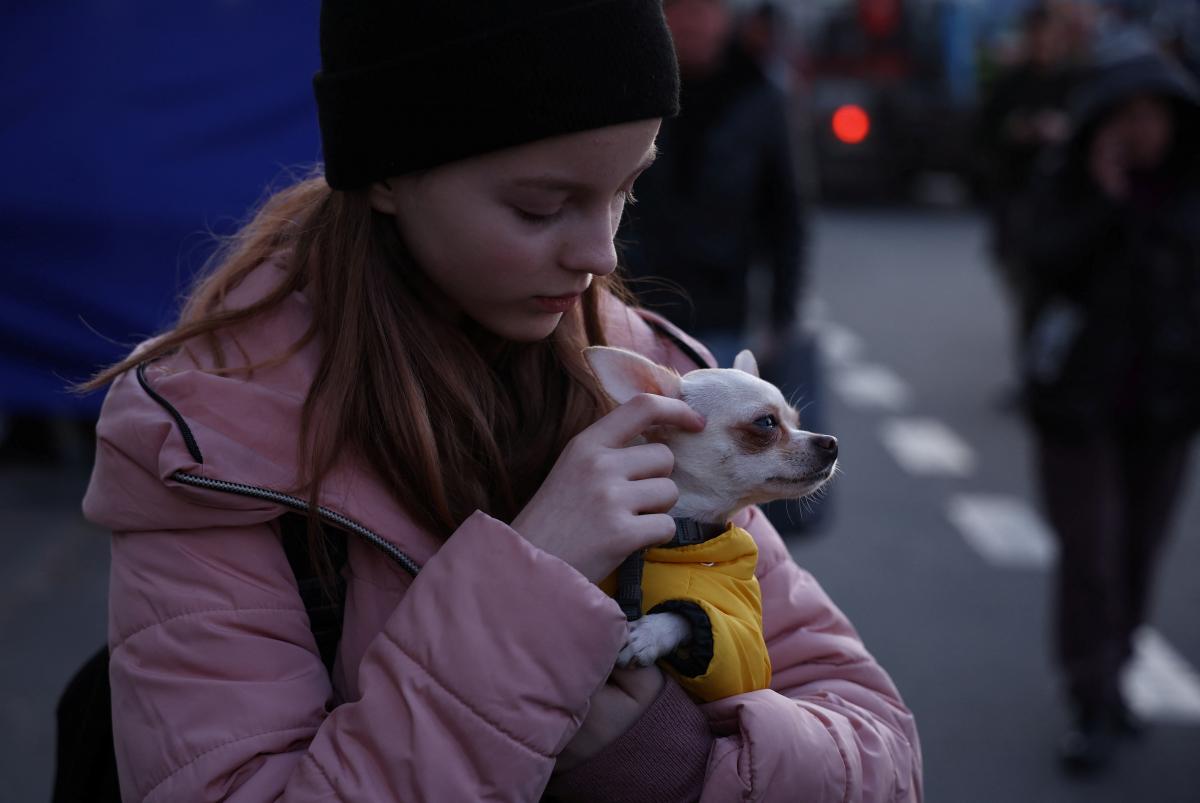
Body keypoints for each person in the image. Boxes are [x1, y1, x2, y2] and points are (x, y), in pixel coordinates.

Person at [79, 2, 921, 800]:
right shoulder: (205, 441)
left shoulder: (651, 372)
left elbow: (876, 741)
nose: (598, 252)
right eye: (540, 206)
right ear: (387, 175)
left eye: (629, 187)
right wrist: (537, 583)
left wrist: (663, 760)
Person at [1015, 31, 1200, 774]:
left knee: (1137, 550)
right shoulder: (1068, 182)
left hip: (1166, 406)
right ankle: (1091, 696)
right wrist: (1102, 200)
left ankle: (1116, 671)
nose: (1143, 129)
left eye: (1157, 114)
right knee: (1090, 553)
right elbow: (1040, 263)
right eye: (1127, 114)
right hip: (1077, 406)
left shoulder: (1190, 190)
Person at [618, 0, 808, 371]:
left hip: (719, 305)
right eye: (681, 10)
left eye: (705, 10)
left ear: (726, 19)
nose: (693, 23)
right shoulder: (632, 86)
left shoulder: (758, 96)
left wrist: (782, 314)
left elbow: (785, 212)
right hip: (633, 300)